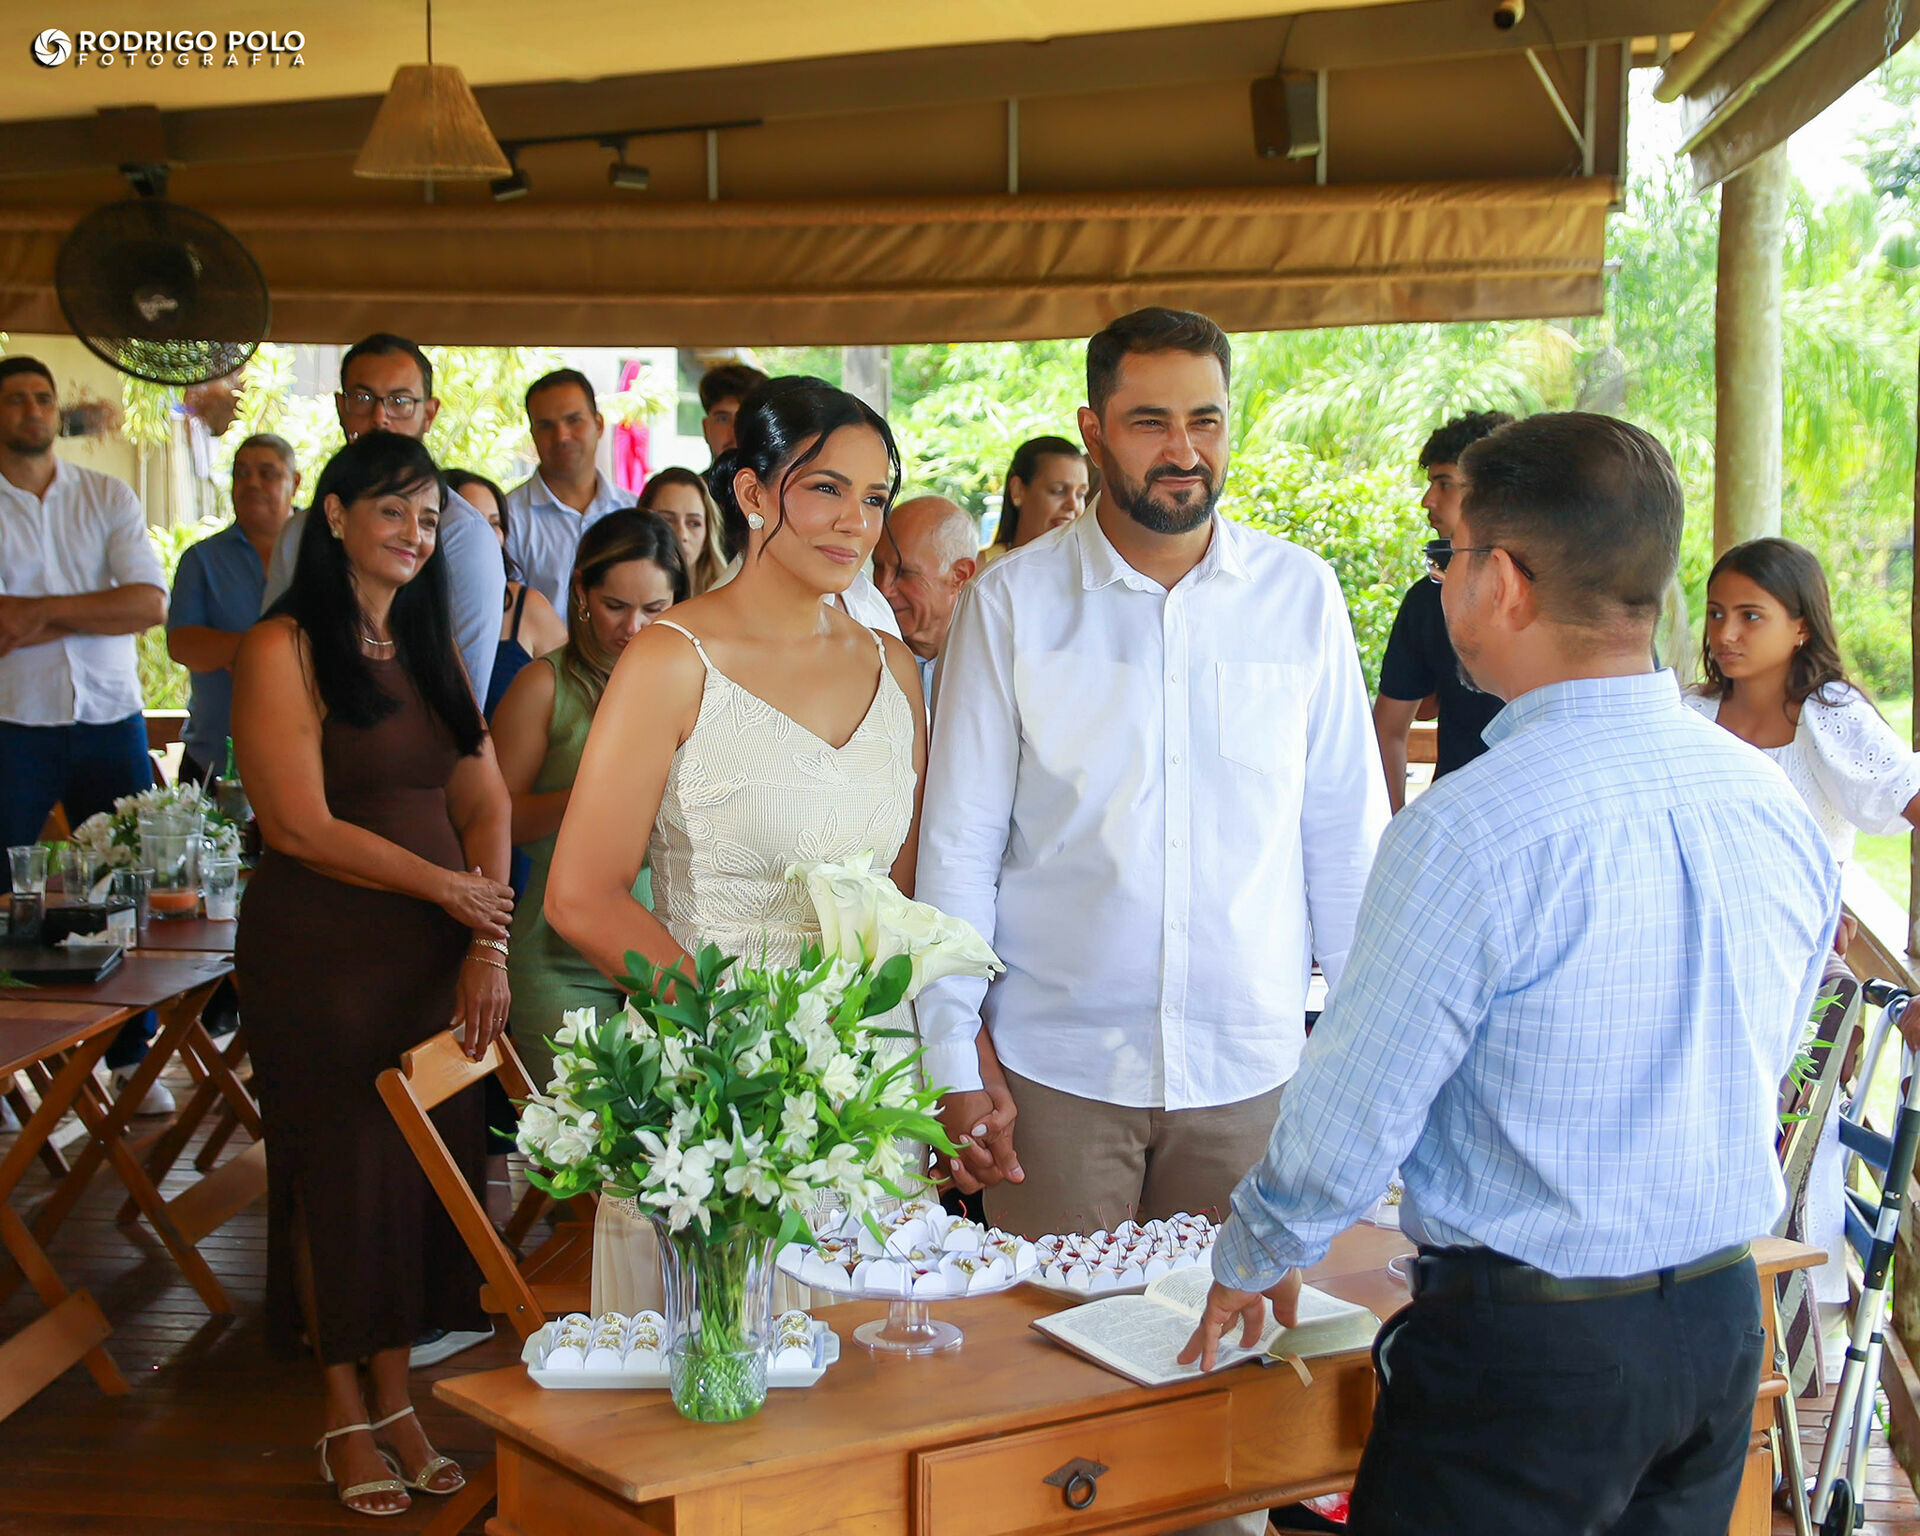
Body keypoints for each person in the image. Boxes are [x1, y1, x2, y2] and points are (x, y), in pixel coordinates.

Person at [1181, 414, 1839, 1535]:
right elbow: (1766, 1048)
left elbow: (1353, 1110)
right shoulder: (1764, 802)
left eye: (1449, 557)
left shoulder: (1471, 831)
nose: (1440, 583)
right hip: (1723, 1323)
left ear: (1506, 582)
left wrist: (1254, 1257)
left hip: (1530, 1358)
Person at [916, 308, 1388, 1237]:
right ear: (1093, 430)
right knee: (1050, 1357)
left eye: (1205, 420)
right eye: (1151, 423)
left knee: (1235, 1363)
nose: (1184, 450)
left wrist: (1362, 1051)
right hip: (1055, 1076)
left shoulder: (1301, 595)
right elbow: (959, 847)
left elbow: (1341, 835)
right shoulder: (1009, 605)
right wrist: (952, 1060)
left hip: (1253, 1070)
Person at [545, 376, 925, 1313]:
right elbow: (582, 896)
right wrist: (740, 1042)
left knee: (864, 1389)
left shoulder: (895, 668)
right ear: (754, 495)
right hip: (711, 1089)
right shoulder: (671, 659)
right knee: (721, 1378)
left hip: (861, 1088)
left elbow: (897, 898)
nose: (854, 523)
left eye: (873, 498)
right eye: (826, 488)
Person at [232, 431, 515, 1519]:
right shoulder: (284, 646)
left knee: (426, 1174)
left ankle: (401, 1399)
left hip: (435, 956)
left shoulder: (435, 646)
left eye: (430, 516)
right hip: (324, 951)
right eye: (392, 509)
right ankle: (344, 1406)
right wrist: (445, 891)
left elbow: (484, 805)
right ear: (337, 515)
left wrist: (484, 939)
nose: (413, 532)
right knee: (344, 1175)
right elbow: (296, 825)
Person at [1687, 535, 1920, 1307]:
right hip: (1691, 972)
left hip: (1794, 980)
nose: (1725, 633)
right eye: (1718, 613)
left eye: (1751, 615)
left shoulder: (1827, 715)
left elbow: (1907, 802)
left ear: (1801, 627)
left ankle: (1781, 1331)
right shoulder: (1686, 715)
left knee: (1785, 1155)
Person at [0, 356, 173, 1113]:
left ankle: (133, 1059)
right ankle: (4, 1069)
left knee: (127, 885)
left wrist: (33, 614)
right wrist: (84, 607)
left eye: (43, 398)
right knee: (5, 892)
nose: (33, 411)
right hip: (13, 723)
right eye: (15, 400)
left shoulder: (107, 495)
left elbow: (145, 604)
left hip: (111, 718)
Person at [493, 509, 686, 1093]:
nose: (633, 627)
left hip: (665, 947)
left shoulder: (688, 687)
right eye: (615, 606)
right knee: (592, 1146)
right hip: (558, 954)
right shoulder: (544, 686)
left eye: (655, 609)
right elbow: (495, 820)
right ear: (581, 592)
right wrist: (591, 798)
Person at [261, 333, 507, 705]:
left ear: (430, 413)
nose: (380, 417)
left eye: (400, 401)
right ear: (342, 408)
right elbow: (275, 681)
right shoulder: (298, 532)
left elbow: (465, 699)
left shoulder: (464, 536)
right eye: (362, 399)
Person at [1371, 411, 1513, 811]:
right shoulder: (1426, 600)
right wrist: (1395, 826)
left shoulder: (1560, 592)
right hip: (1456, 821)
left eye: (1445, 483)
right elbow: (1389, 729)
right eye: (1430, 482)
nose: (1427, 500)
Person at [168, 433, 300, 787]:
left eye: (267, 473)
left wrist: (235, 651)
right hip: (213, 763)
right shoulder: (201, 560)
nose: (252, 483)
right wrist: (269, 651)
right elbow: (182, 644)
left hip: (306, 765)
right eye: (241, 473)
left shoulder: (327, 551)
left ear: (295, 482)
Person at [502, 369, 636, 610]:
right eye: (546, 426)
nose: (561, 436)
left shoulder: (635, 511)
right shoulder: (508, 519)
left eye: (573, 420)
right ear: (533, 433)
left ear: (599, 424)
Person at [447, 470, 566, 719]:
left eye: (494, 523)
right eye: (475, 524)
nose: (486, 536)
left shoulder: (528, 608)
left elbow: (574, 702)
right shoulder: (405, 607)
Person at [873, 494, 979, 705]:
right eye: (878, 567)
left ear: (959, 575)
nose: (884, 589)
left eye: (904, 572)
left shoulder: (994, 662)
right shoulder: (858, 656)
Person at [978, 435, 1089, 565]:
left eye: (1080, 494)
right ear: (1017, 490)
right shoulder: (980, 572)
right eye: (1058, 491)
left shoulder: (1089, 570)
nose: (1073, 505)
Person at [639, 465, 731, 596]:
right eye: (667, 520)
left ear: (708, 535)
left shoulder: (728, 600)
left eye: (694, 523)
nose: (681, 534)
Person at [698, 361, 770, 461]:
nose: (735, 433)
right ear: (706, 429)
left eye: (746, 420)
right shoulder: (689, 477)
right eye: (723, 419)